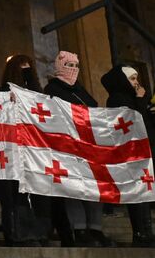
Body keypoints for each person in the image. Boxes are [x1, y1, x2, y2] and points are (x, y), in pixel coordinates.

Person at [44, 51, 113, 247]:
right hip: (67, 147)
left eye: (75, 66)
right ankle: (79, 229)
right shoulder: (52, 88)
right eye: (68, 65)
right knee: (74, 188)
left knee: (93, 188)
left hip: (88, 147)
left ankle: (95, 229)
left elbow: (93, 110)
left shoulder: (81, 91)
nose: (73, 70)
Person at [0, 54, 51, 246]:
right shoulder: (4, 91)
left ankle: (39, 232)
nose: (26, 70)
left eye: (29, 67)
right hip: (12, 149)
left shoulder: (37, 92)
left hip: (34, 150)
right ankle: (17, 233)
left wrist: (30, 81)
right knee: (15, 195)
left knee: (37, 194)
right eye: (22, 67)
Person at [101, 65, 155, 247]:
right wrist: (140, 101)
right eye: (132, 78)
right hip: (131, 153)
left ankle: (147, 232)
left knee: (146, 192)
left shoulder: (134, 98)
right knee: (138, 193)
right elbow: (132, 122)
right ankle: (141, 232)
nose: (136, 82)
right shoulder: (117, 99)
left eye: (136, 77)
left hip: (144, 152)